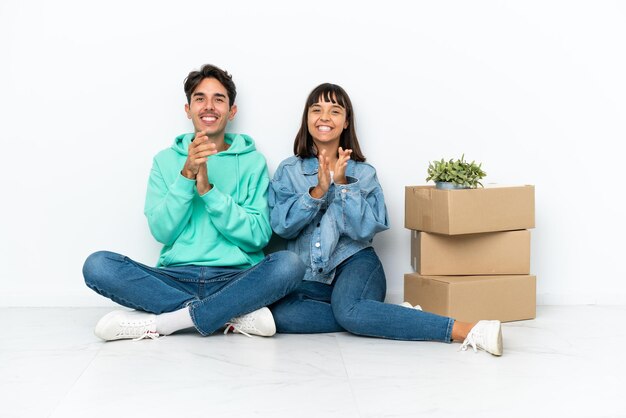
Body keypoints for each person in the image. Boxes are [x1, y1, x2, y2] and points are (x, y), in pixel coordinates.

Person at [268, 83, 503, 355]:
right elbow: (281, 227)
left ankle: (465, 329)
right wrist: (317, 192)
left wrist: (344, 185)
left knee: (348, 309)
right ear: (306, 118)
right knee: (281, 315)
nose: (324, 117)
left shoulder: (363, 173)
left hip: (357, 263)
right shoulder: (288, 170)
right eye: (316, 109)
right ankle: (378, 314)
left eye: (334, 111)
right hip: (309, 276)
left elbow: (366, 229)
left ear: (346, 122)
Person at [83, 64, 305, 341]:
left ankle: (166, 322)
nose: (208, 107)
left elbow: (257, 237)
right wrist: (187, 176)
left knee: (290, 265)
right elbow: (162, 232)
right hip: (174, 279)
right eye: (200, 98)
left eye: (218, 99)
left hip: (236, 279)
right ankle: (231, 314)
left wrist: (209, 192)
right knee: (98, 265)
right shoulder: (164, 161)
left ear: (231, 111)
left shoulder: (252, 161)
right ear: (187, 109)